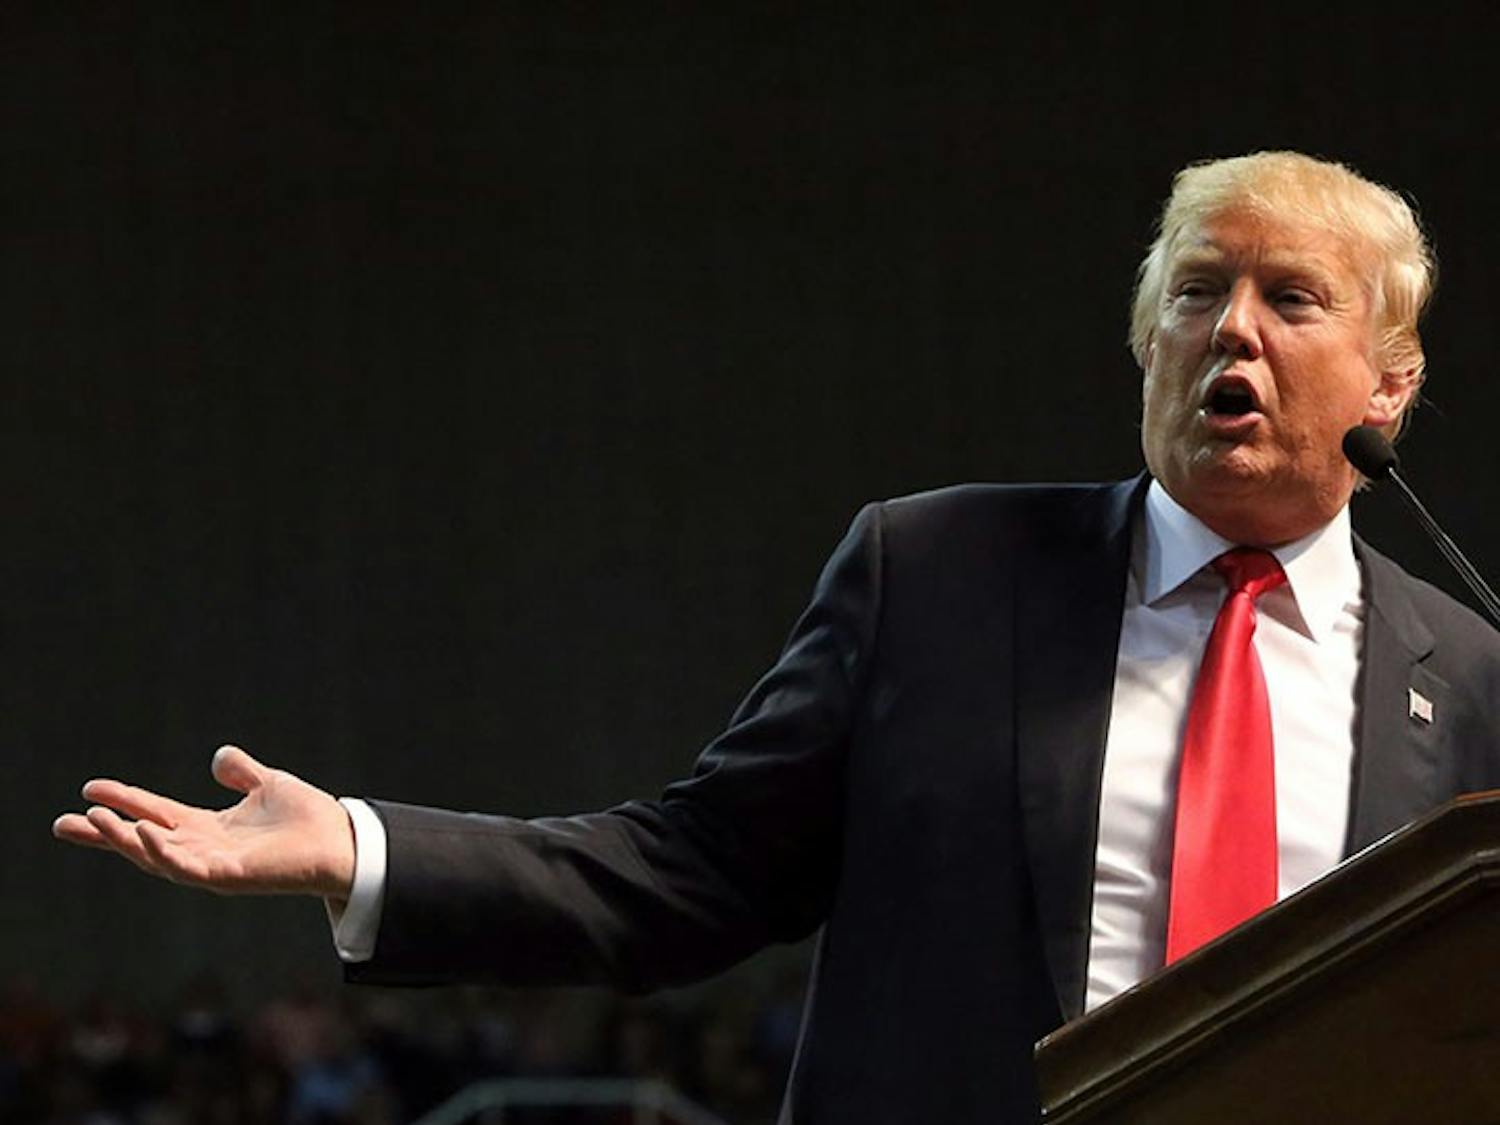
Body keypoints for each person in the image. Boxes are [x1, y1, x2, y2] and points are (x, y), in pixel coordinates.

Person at [54, 151, 1500, 1124]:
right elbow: (690, 874)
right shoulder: (937, 573)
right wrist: (363, 847)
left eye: (1289, 298)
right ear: (1145, 340)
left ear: (1389, 383)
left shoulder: (1473, 673)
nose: (1228, 331)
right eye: (1195, 291)